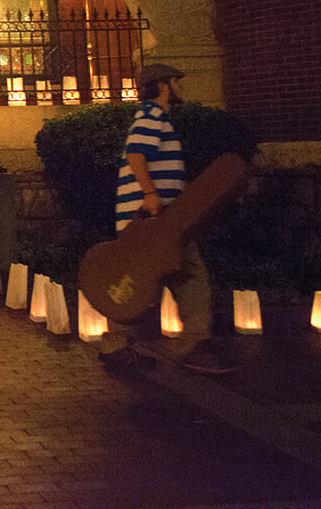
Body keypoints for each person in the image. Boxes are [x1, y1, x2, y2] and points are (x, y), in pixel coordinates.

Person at [98, 62, 234, 374]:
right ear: (162, 86)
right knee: (188, 274)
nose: (180, 87)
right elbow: (136, 154)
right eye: (176, 81)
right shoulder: (152, 115)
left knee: (140, 277)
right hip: (154, 219)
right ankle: (193, 344)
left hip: (154, 219)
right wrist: (151, 195)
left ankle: (117, 344)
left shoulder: (152, 117)